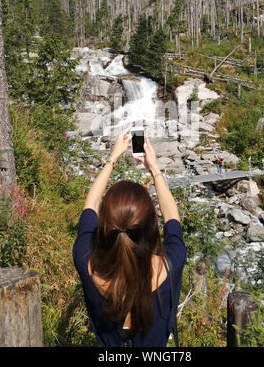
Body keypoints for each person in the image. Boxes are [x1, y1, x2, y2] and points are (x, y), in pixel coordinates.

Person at [72, 127, 186, 347]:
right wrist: (155, 170)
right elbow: (172, 218)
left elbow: (90, 208)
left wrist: (112, 158)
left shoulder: (87, 263)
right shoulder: (170, 265)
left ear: (105, 225)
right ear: (152, 226)